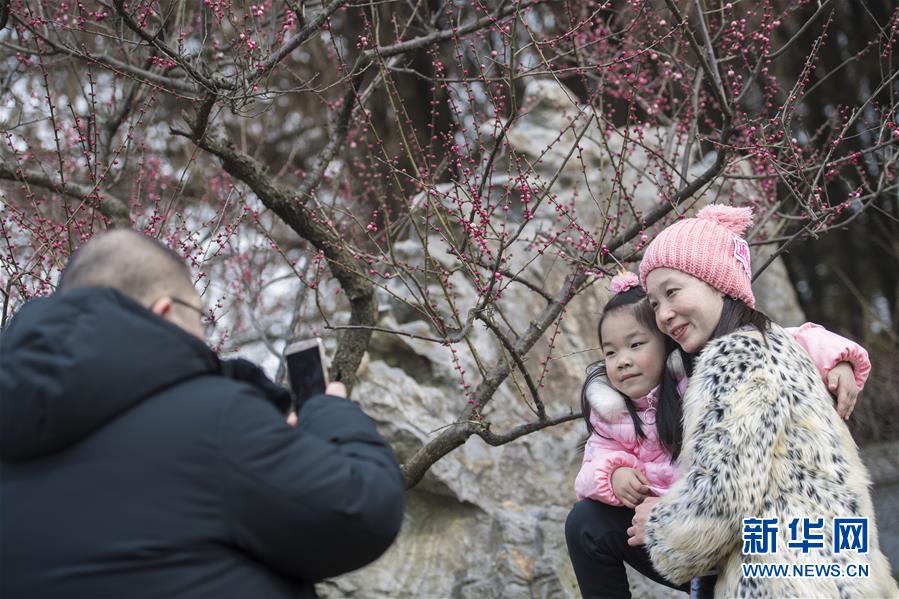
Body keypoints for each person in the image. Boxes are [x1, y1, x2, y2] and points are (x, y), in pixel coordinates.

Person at [0, 230, 405, 598]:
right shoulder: (216, 420)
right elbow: (363, 511)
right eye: (199, 317)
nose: (204, 338)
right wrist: (331, 411)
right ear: (163, 311)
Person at [629, 204, 897, 597]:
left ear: (717, 281)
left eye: (672, 292)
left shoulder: (736, 358)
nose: (664, 314)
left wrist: (659, 524)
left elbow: (723, 501)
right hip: (838, 572)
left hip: (788, 581)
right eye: (654, 304)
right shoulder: (774, 345)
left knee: (590, 526)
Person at [566, 268, 871, 598]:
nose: (622, 361)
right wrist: (613, 474)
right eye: (610, 352)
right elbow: (591, 466)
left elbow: (791, 338)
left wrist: (839, 360)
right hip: (671, 535)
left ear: (667, 344)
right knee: (585, 522)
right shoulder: (611, 410)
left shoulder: (705, 371)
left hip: (726, 535)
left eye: (636, 344)